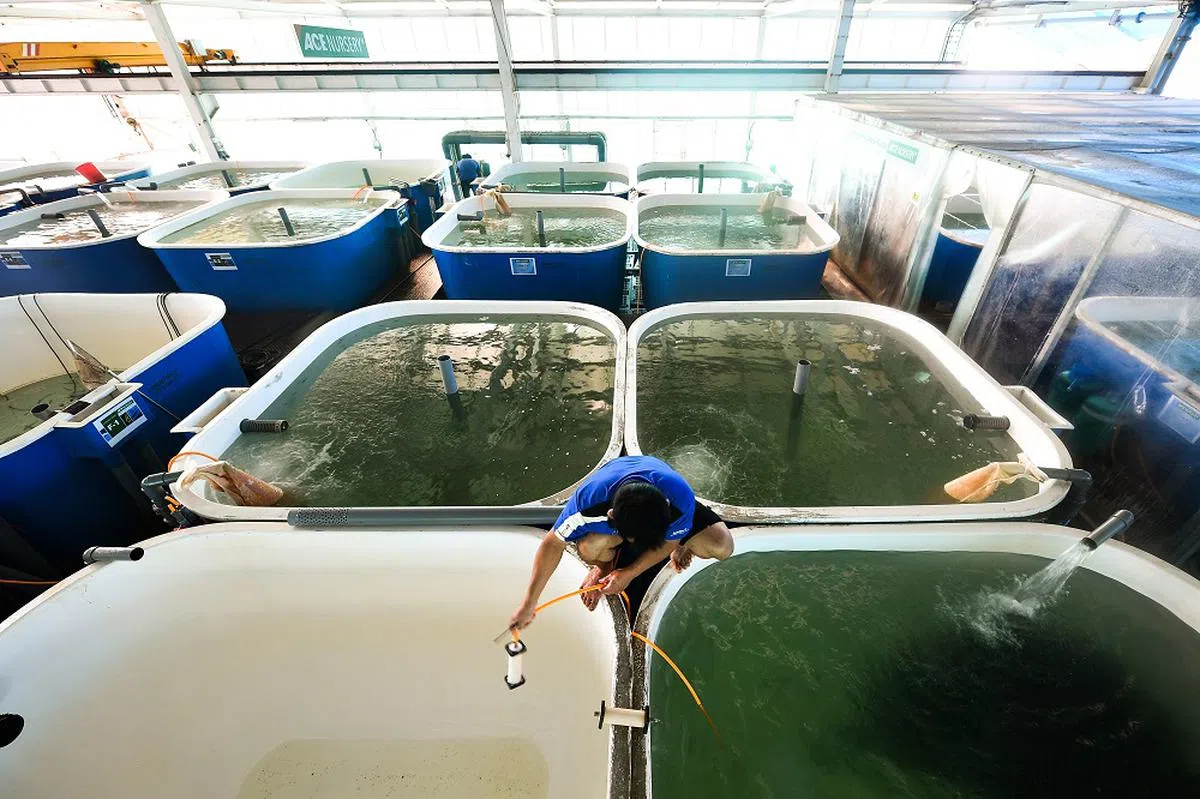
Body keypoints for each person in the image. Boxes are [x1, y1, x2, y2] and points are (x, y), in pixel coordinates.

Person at [509, 455, 734, 631]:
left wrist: (630, 573)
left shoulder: (679, 497)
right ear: (611, 517)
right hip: (618, 498)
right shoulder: (587, 503)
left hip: (667, 510)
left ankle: (682, 543)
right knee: (589, 549)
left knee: (722, 546)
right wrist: (529, 602)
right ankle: (603, 569)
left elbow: (669, 540)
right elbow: (552, 543)